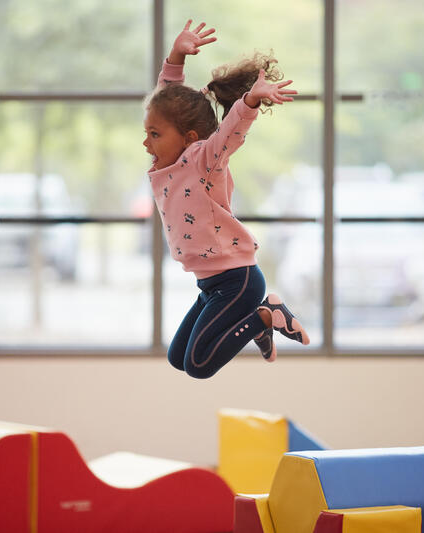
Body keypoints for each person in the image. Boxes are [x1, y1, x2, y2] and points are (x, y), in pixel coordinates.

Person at [144, 20, 309, 379]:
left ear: (189, 138)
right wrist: (174, 58)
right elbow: (167, 102)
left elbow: (230, 134)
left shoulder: (203, 160)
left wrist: (249, 101)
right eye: (147, 133)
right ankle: (261, 321)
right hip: (211, 284)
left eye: (154, 135)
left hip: (237, 280)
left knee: (199, 365)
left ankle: (267, 315)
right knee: (178, 359)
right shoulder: (167, 162)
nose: (146, 143)